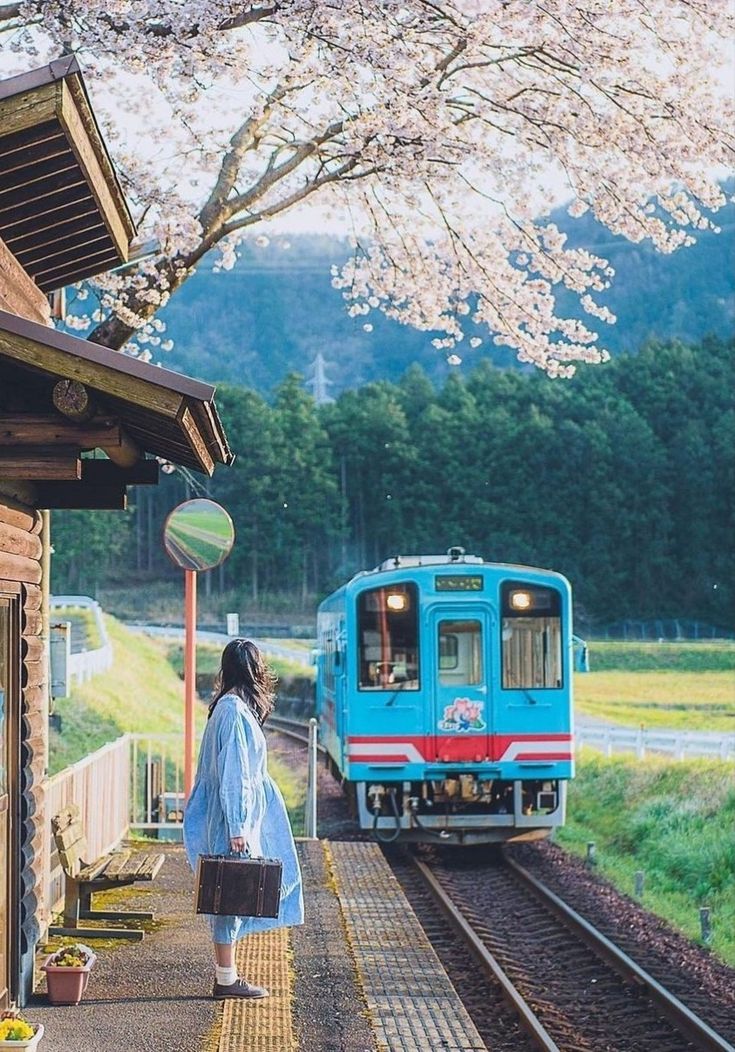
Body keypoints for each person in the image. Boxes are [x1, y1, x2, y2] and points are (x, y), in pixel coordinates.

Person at [183, 639, 304, 1000]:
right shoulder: (235, 712)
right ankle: (226, 979)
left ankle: (227, 975)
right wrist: (238, 827)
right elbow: (236, 774)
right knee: (230, 896)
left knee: (230, 895)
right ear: (255, 670)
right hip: (232, 820)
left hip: (228, 816)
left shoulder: (226, 707)